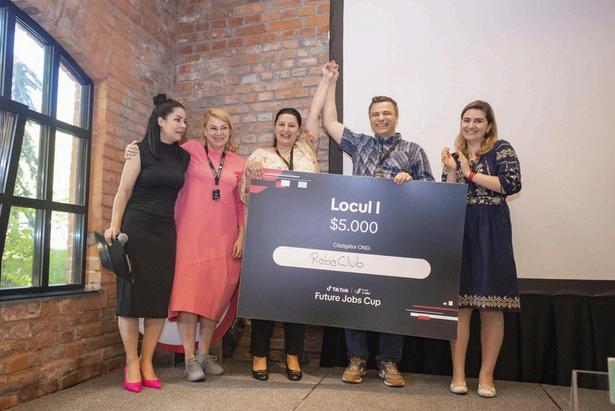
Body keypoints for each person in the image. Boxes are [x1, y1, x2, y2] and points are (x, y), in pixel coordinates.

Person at [322, 70, 434, 388]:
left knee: (393, 298)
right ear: (370, 119)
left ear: (396, 116)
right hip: (360, 235)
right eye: (375, 114)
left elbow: (431, 191)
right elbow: (329, 122)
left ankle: (388, 361)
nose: (381, 118)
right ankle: (356, 358)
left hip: (396, 237)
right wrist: (330, 82)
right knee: (354, 296)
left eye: (386, 113)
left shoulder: (413, 150)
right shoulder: (360, 144)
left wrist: (411, 182)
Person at [125, 108, 245, 383]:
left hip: (224, 237)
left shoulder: (239, 162)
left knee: (214, 298)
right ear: (204, 131)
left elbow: (241, 203)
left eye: (223, 128)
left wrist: (241, 235)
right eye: (213, 128)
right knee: (189, 296)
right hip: (190, 235)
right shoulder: (188, 151)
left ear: (230, 132)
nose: (218, 133)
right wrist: (133, 151)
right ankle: (190, 358)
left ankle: (204, 355)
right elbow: (158, 155)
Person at [242, 62, 338, 382]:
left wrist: (326, 79)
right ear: (274, 128)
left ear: (299, 130)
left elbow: (314, 112)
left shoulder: (308, 150)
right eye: (281, 124)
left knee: (296, 298)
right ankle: (259, 355)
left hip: (304, 236)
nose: (286, 129)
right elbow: (247, 198)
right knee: (266, 298)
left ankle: (293, 356)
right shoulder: (258, 157)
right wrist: (250, 177)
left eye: (291, 125)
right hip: (269, 238)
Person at [104, 94, 190, 393]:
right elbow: (123, 191)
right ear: (161, 121)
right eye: (177, 119)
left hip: (165, 232)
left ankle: (146, 362)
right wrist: (114, 225)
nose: (183, 125)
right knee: (130, 301)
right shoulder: (138, 151)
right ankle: (131, 362)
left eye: (185, 121)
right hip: (136, 229)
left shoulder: (184, 156)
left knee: (156, 302)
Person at [441, 100, 521, 398]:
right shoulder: (454, 155)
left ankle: (486, 376)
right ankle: (458, 374)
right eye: (466, 120)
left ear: (488, 125)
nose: (471, 125)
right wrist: (453, 170)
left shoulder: (501, 149)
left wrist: (470, 173)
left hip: (492, 231)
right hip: (460, 229)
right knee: (460, 307)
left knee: (491, 307)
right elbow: (447, 197)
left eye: (477, 120)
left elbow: (511, 185)